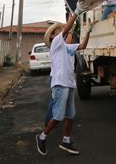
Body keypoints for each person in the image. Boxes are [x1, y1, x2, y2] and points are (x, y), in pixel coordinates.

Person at [36, 13, 92, 156]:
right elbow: (67, 29)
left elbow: (84, 45)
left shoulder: (70, 47)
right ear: (53, 37)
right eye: (57, 32)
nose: (62, 33)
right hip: (60, 83)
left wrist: (89, 31)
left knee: (70, 115)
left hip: (69, 84)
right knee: (59, 116)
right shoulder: (55, 44)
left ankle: (66, 141)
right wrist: (76, 12)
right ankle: (42, 137)